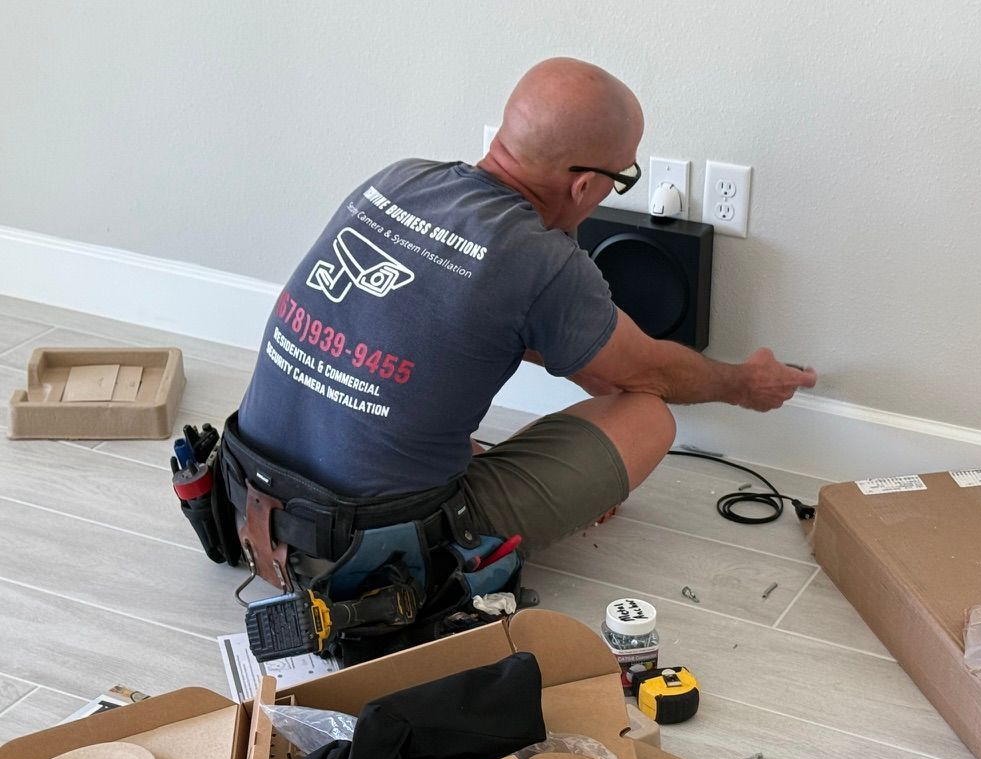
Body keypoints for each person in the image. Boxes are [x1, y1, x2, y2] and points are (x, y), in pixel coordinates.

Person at [236, 56, 816, 569]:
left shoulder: (403, 177)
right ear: (584, 186)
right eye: (623, 178)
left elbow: (455, 325)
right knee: (647, 416)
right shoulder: (538, 258)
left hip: (243, 494)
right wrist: (744, 384)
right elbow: (648, 374)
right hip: (361, 552)